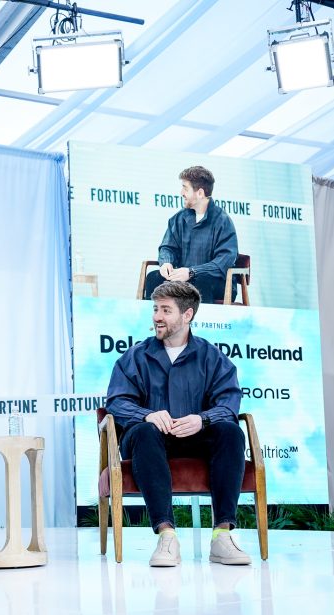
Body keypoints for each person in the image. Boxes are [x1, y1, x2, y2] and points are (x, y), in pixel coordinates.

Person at [106, 281, 250, 566]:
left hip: (196, 439)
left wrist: (202, 419)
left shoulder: (211, 357)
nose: (157, 316)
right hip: (149, 441)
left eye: (166, 310)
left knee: (231, 432)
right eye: (156, 309)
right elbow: (116, 402)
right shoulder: (135, 356)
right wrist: (146, 414)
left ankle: (222, 535)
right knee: (146, 432)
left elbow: (229, 402)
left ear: (187, 315)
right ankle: (166, 536)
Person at [144, 166, 238, 304]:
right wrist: (166, 263)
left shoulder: (222, 221)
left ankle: (202, 325)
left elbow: (224, 260)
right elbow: (167, 247)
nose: (181, 192)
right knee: (154, 277)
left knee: (200, 283)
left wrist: (192, 272)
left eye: (185, 188)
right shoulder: (178, 219)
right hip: (184, 279)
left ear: (200, 193)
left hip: (215, 282)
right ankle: (157, 323)